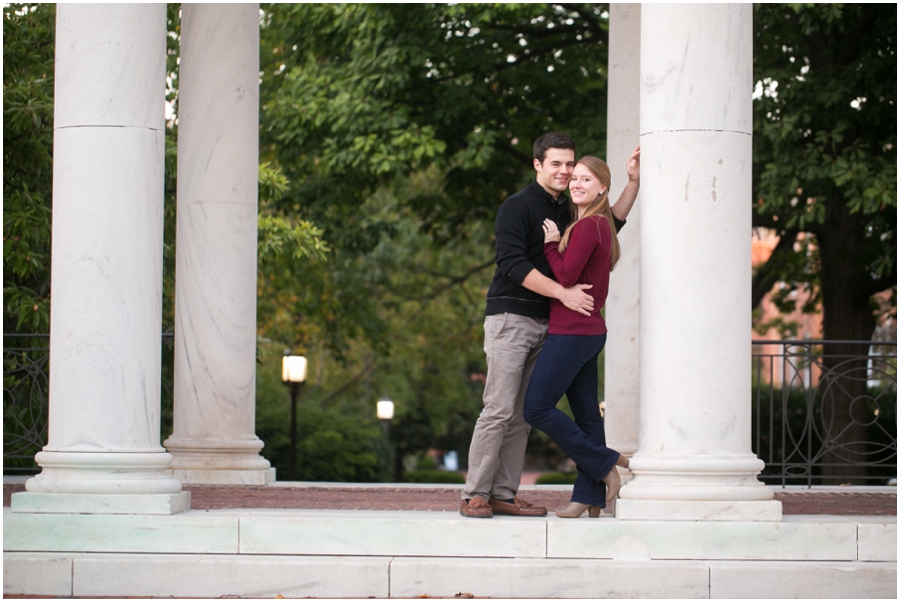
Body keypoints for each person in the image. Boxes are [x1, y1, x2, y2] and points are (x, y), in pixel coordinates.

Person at [460, 133, 640, 518]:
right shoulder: (517, 207)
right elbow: (512, 264)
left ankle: (504, 494)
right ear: (537, 165)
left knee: (525, 413)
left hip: (552, 324)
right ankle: (475, 493)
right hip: (511, 319)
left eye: (569, 164)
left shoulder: (571, 210)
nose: (565, 171)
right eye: (556, 163)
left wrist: (633, 183)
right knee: (498, 409)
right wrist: (564, 293)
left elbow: (611, 221)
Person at [522, 156, 628, 519]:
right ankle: (590, 498)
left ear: (602, 187)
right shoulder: (599, 225)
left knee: (536, 408)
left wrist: (551, 246)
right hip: (588, 332)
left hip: (571, 333)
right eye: (575, 179)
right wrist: (635, 182)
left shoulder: (587, 227)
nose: (577, 183)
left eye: (587, 179)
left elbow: (565, 278)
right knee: (586, 416)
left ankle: (606, 462)